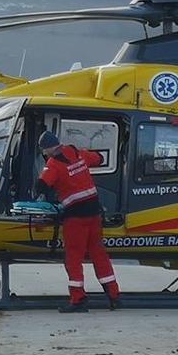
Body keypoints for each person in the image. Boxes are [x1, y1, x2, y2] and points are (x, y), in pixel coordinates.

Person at [36, 130, 120, 313]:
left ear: (48, 149)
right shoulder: (76, 152)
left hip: (76, 217)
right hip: (95, 213)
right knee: (99, 253)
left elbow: (41, 186)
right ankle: (113, 295)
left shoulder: (53, 164)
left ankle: (78, 299)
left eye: (44, 151)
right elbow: (98, 158)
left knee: (73, 257)